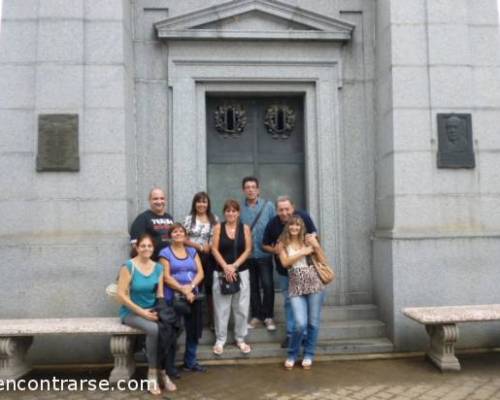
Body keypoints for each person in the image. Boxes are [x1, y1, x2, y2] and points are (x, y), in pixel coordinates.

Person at [117, 233, 176, 395]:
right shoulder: (128, 266)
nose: (146, 249)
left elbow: (160, 294)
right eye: (143, 246)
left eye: (149, 246)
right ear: (137, 248)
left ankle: (163, 372)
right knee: (154, 329)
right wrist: (142, 312)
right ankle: (152, 374)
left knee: (169, 328)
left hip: (152, 310)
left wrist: (163, 312)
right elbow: (121, 295)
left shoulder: (158, 267)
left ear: (153, 248)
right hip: (131, 312)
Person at [262, 196, 318, 348]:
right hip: (284, 272)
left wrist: (309, 244)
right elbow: (264, 245)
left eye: (287, 209)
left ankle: (304, 335)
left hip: (304, 270)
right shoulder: (273, 224)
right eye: (281, 210)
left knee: (304, 302)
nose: (284, 212)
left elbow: (314, 235)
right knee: (288, 303)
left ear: (293, 208)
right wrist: (274, 250)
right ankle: (291, 334)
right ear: (277, 210)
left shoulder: (304, 217)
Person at [278, 216, 327, 370]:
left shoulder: (308, 240)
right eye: (292, 225)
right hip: (296, 285)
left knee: (313, 323)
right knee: (300, 324)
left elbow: (323, 260)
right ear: (288, 227)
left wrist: (315, 246)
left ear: (302, 227)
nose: (294, 228)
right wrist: (303, 252)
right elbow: (285, 263)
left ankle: (309, 354)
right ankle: (292, 354)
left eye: (297, 225)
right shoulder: (282, 244)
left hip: (314, 283)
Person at [159, 223, 206, 375]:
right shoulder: (165, 253)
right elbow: (166, 277)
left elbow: (200, 273)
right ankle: (170, 366)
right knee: (172, 332)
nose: (178, 233)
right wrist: (183, 290)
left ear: (185, 236)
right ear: (170, 235)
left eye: (181, 231)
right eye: (174, 231)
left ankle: (190, 362)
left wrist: (191, 287)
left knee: (193, 331)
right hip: (173, 298)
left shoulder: (192, 251)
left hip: (193, 297)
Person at [211, 199, 252, 355]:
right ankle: (220, 340)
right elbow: (214, 249)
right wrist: (226, 267)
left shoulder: (245, 228)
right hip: (221, 272)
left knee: (241, 307)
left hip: (241, 271)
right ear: (224, 213)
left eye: (234, 210)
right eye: (228, 211)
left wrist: (234, 266)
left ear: (238, 213)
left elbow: (248, 249)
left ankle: (240, 339)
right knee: (221, 308)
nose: (231, 213)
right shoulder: (218, 228)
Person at [240, 177, 277, 331]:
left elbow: (275, 226)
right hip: (247, 255)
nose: (250, 190)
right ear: (243, 190)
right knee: (252, 287)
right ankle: (256, 316)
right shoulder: (239, 208)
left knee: (268, 285)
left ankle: (268, 316)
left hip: (264, 253)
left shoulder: (268, 206)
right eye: (247, 187)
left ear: (258, 189)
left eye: (253, 187)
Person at [183, 192, 219, 329]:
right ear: (194, 204)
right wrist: (198, 246)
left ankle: (212, 321)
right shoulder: (189, 219)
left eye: (204, 202)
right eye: (199, 202)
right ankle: (192, 321)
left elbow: (215, 238)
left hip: (209, 258)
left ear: (208, 204)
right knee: (193, 286)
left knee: (210, 289)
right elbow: (184, 239)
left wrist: (208, 248)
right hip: (191, 257)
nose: (201, 204)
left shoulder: (214, 219)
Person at [130, 188, 174, 261]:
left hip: (170, 260)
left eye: (162, 198)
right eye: (155, 199)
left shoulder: (169, 217)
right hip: (152, 262)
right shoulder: (142, 218)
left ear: (165, 200)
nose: (159, 201)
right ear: (149, 201)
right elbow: (135, 245)